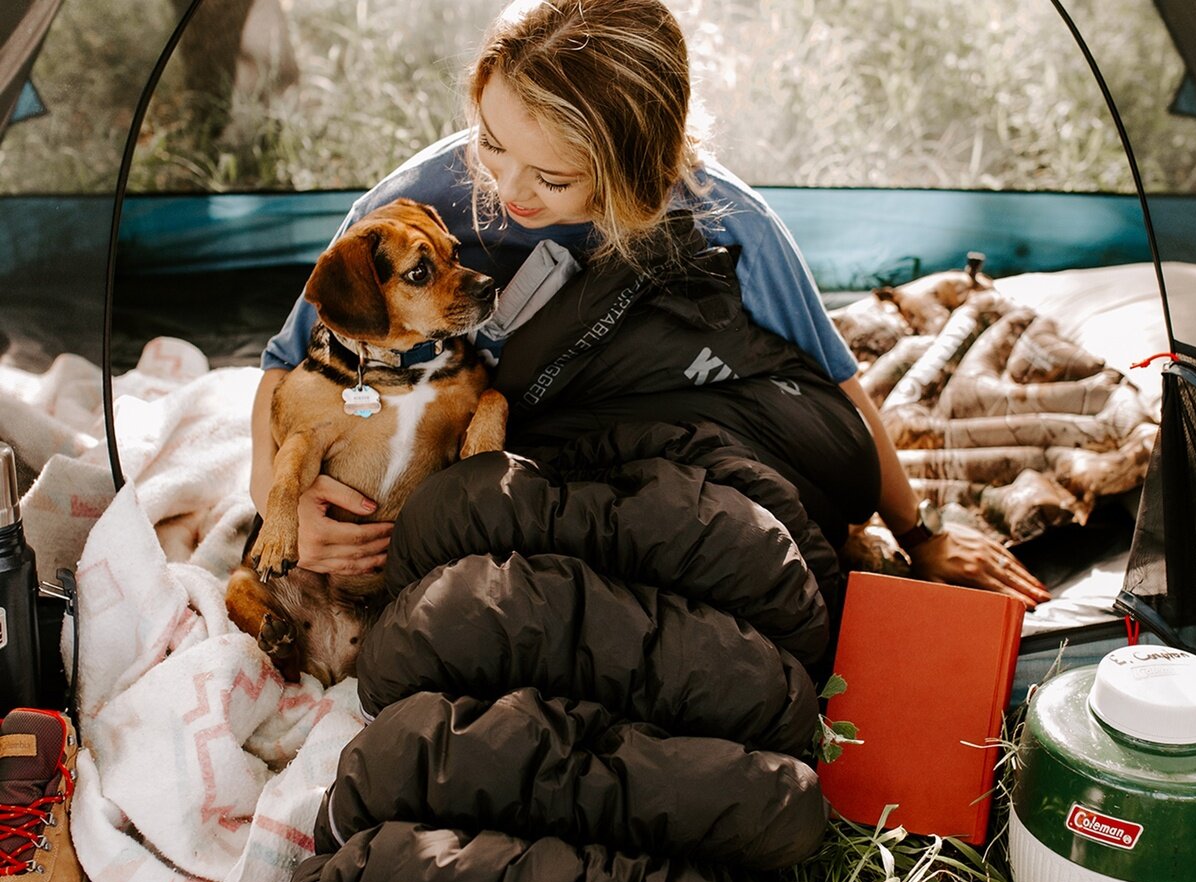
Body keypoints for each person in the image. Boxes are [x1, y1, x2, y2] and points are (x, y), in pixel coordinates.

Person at [251, 0, 1050, 609]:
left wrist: (919, 533)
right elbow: (285, 366)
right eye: (491, 142)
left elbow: (838, 380)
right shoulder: (413, 206)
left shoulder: (722, 219)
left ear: (636, 166)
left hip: (576, 434)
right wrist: (274, 501)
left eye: (552, 178)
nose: (507, 188)